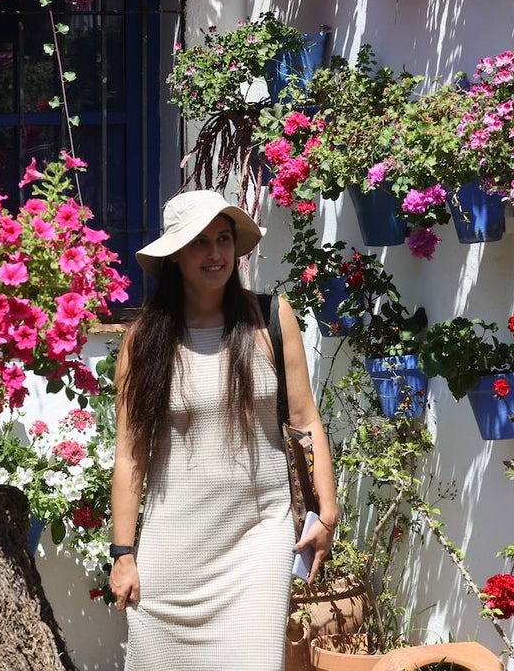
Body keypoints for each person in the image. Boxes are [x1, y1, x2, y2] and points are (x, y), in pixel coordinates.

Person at [108, 189, 339, 670]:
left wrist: (327, 512)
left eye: (224, 240)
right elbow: (131, 456)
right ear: (175, 254)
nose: (215, 254)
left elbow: (305, 421)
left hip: (257, 539)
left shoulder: (271, 318)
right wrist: (124, 554)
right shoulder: (144, 340)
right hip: (173, 548)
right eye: (199, 242)